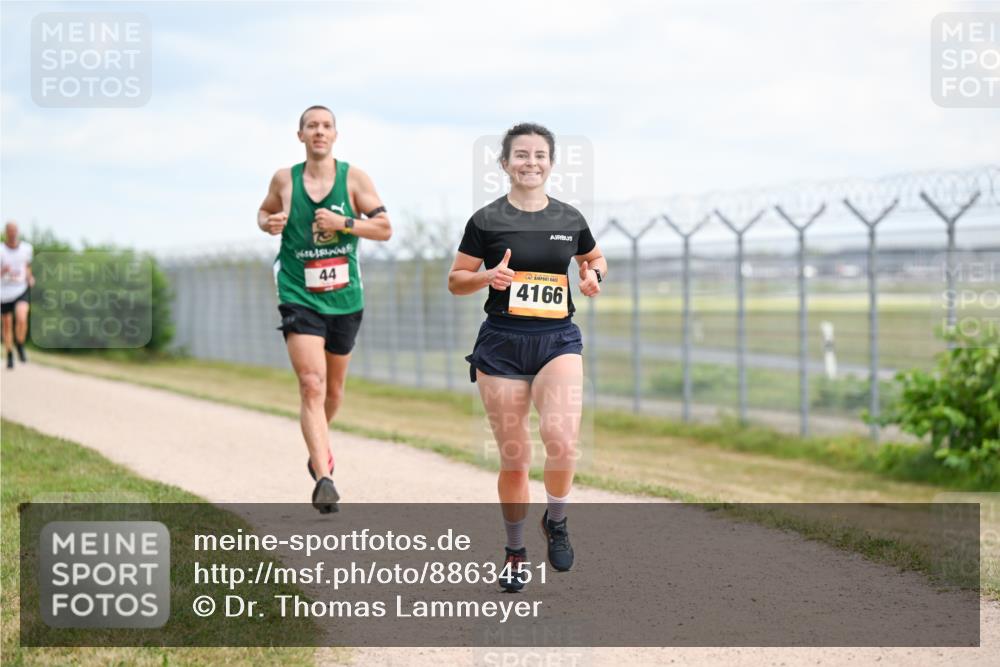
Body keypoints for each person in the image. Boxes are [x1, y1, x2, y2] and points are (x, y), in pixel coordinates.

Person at [448, 123, 607, 591]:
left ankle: (555, 519)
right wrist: (487, 278)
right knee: (515, 457)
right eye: (521, 155)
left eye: (539, 155)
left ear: (551, 164)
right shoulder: (486, 221)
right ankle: (515, 551)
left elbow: (594, 260)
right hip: (501, 343)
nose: (530, 162)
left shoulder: (570, 218)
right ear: (504, 164)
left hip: (557, 339)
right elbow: (456, 278)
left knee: (561, 437)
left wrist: (594, 277)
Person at [257, 105, 392, 514]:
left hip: (345, 297)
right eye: (311, 126)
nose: (319, 132)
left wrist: (343, 223)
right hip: (299, 291)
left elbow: (384, 228)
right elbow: (263, 212)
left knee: (333, 391)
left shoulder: (353, 178)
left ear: (335, 135)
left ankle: (319, 451)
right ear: (300, 135)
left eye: (326, 126)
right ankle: (324, 476)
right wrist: (270, 223)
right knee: (312, 385)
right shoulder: (285, 179)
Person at [1, 221, 34, 369]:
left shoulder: (26, 249)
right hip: (4, 291)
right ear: (6, 232)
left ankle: (20, 343)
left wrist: (30, 277)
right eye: (10, 231)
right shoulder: (1, 250)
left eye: (15, 230)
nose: (13, 233)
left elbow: (27, 266)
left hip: (20, 288)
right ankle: (9, 354)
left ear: (18, 232)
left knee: (22, 317)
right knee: (7, 324)